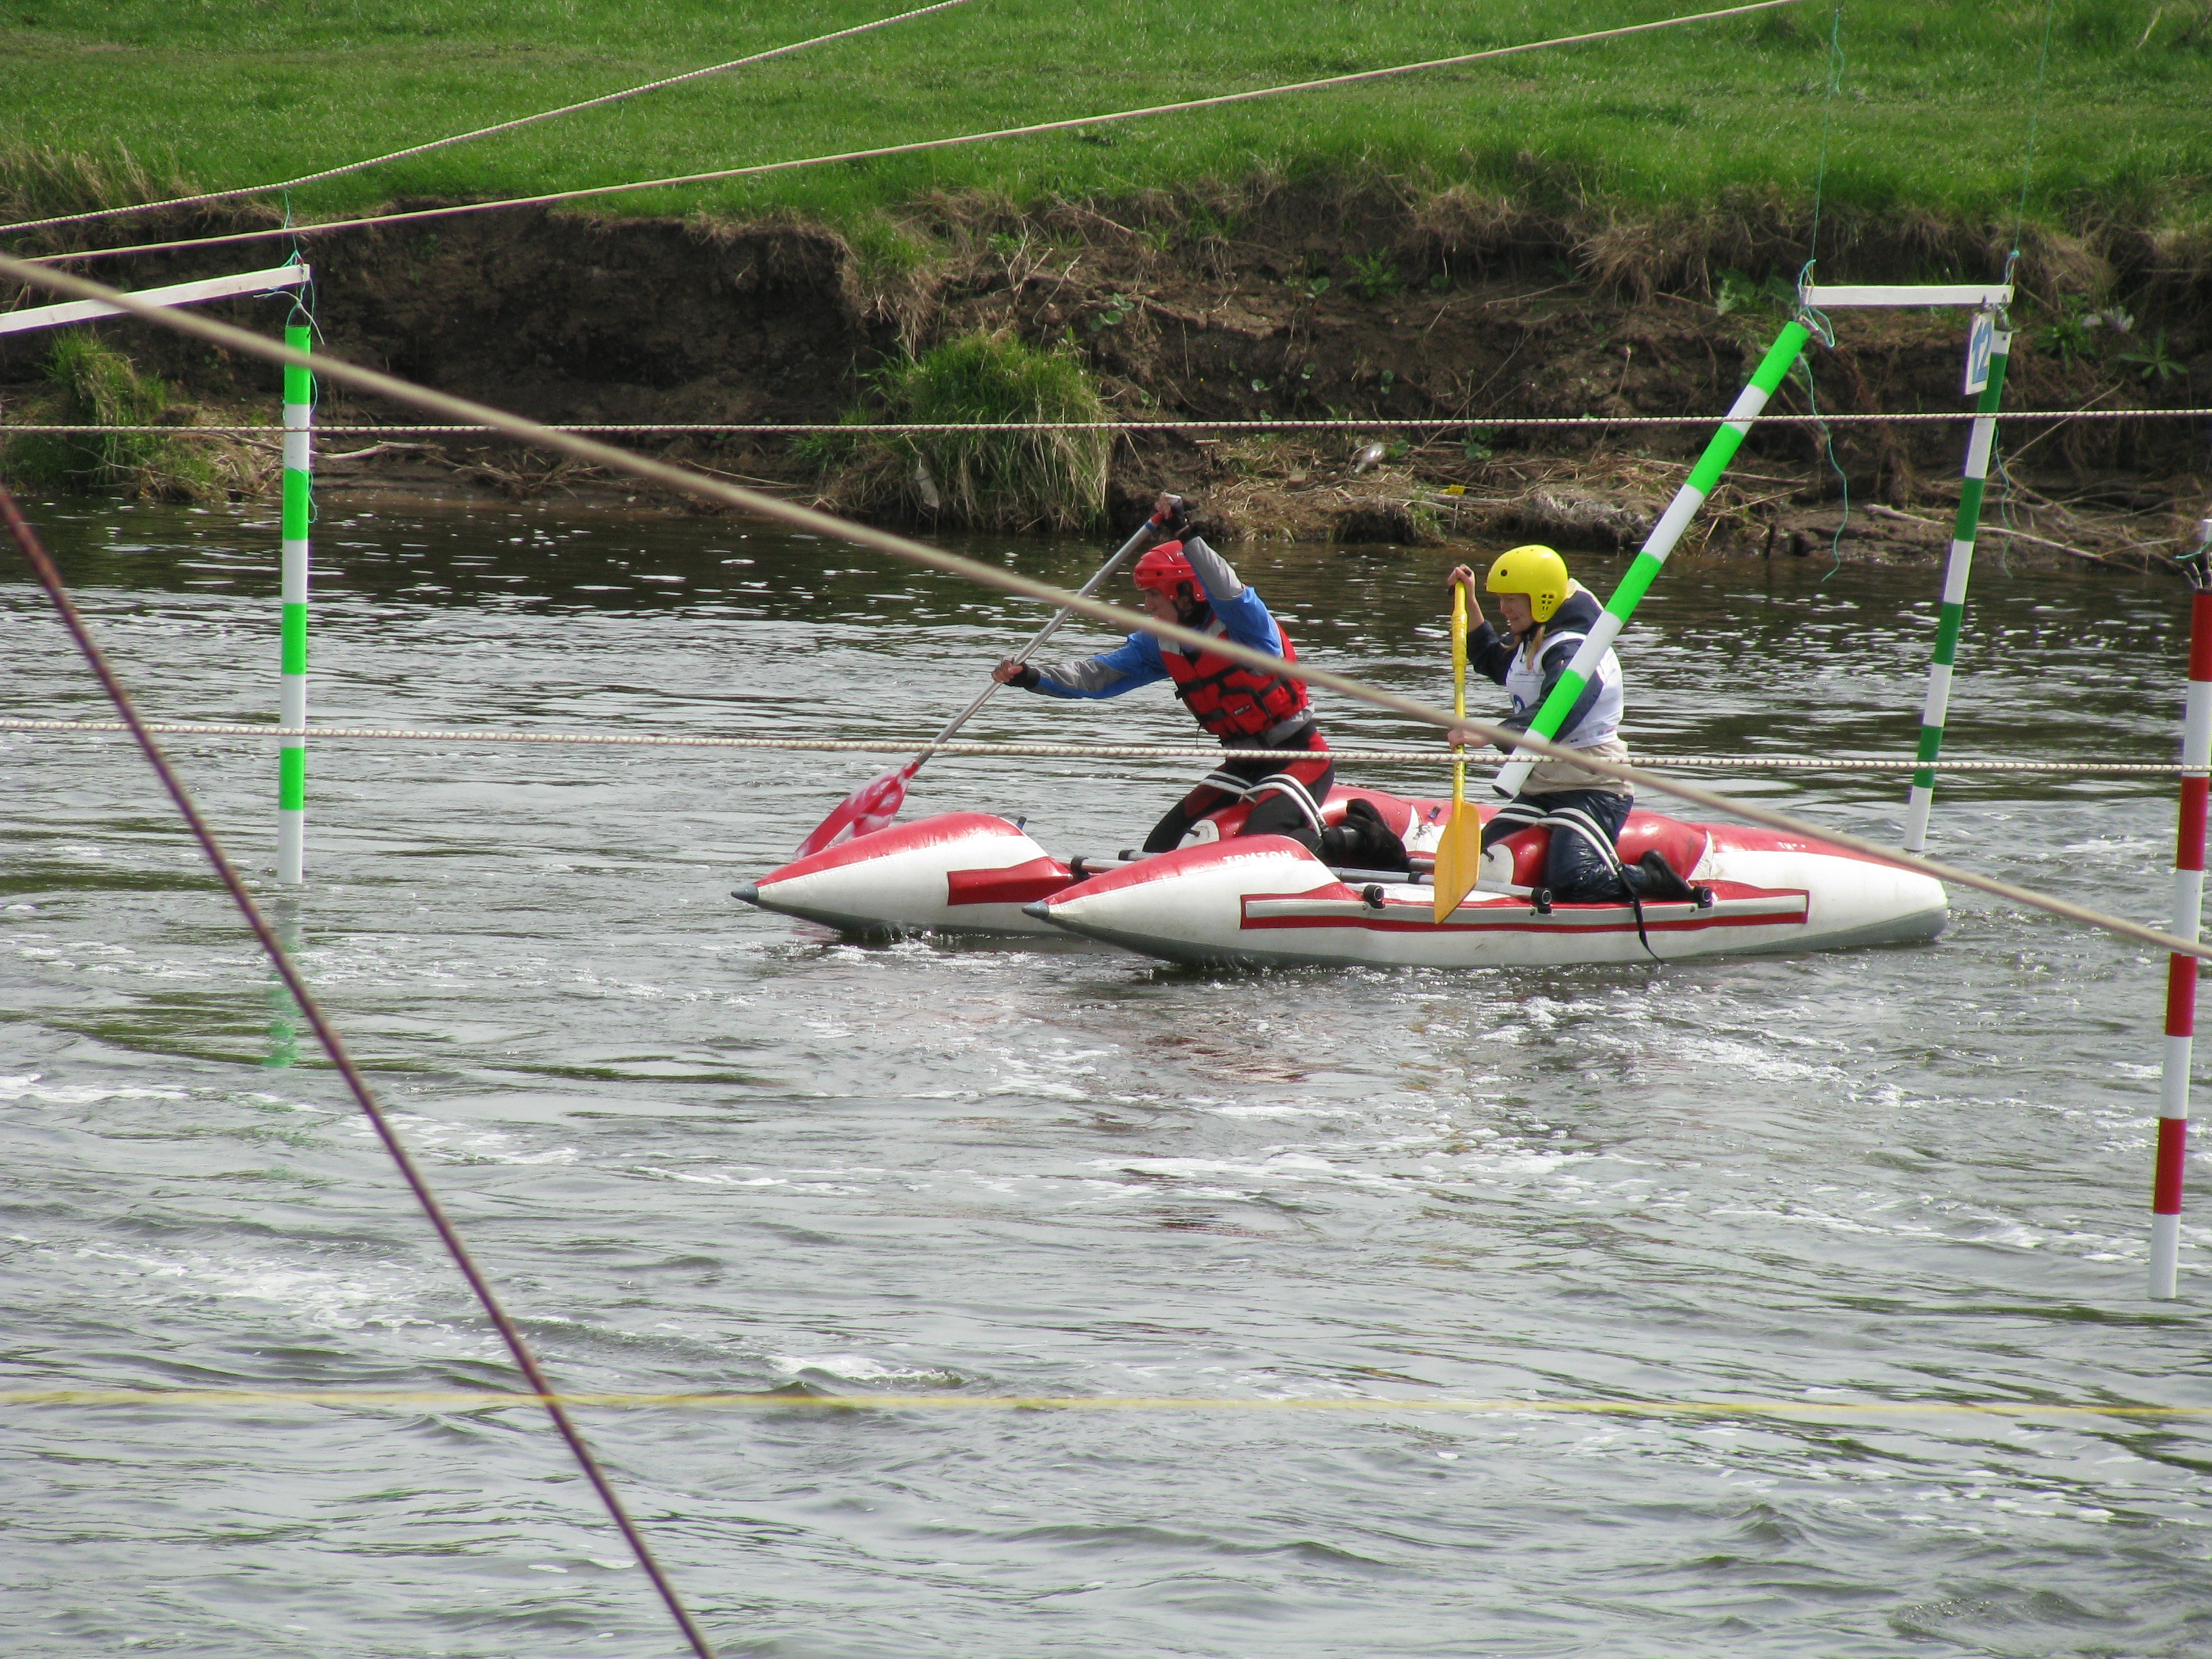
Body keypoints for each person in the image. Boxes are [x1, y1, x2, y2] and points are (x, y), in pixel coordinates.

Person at [994, 493, 1406, 868]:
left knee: (1263, 840)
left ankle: (1357, 840)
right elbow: (1099, 675)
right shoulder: (1161, 643)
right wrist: (1031, 677)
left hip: (1299, 756)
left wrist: (1185, 532)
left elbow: (1228, 587)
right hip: (1244, 764)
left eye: (1154, 595)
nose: (1147, 605)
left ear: (1187, 593)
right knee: (1160, 846)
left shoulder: (1245, 627)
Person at [1446, 544, 1699, 904]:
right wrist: (1469, 602)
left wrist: (1490, 734)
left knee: (1574, 879)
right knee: (1478, 860)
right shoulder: (1532, 639)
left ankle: (1653, 878)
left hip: (1594, 787)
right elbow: (1491, 657)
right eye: (1500, 600)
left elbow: (1561, 712)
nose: (1503, 609)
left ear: (1542, 598)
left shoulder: (1576, 651)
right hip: (1540, 788)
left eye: (1511, 600)